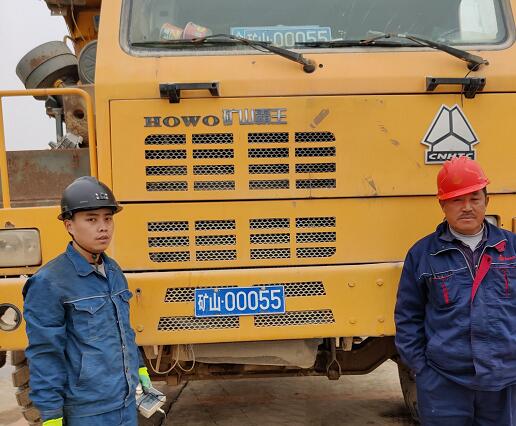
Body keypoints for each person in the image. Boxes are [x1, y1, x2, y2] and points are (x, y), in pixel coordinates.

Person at [395, 156, 516, 425]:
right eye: (457, 200)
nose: (467, 207)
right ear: (442, 204)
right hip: (444, 384)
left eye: (474, 198)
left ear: (487, 200)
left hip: (504, 381)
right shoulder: (423, 255)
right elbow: (408, 318)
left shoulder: (512, 249)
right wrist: (422, 369)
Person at [23, 176, 151, 426]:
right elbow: (45, 353)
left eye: (108, 218)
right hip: (86, 413)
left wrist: (140, 366)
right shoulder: (49, 282)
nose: (103, 228)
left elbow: (124, 330)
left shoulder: (113, 270)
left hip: (125, 405)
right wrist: (51, 415)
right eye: (91, 219)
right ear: (69, 225)